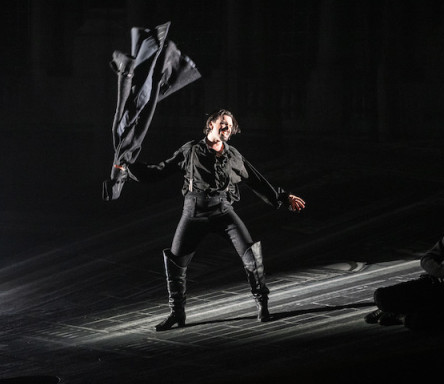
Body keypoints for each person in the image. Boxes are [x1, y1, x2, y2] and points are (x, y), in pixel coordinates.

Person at [115, 109, 306, 331]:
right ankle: (177, 314)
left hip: (223, 211)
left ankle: (262, 306)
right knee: (176, 262)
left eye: (231, 125)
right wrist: (128, 170)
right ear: (211, 124)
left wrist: (283, 196)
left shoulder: (233, 155)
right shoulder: (191, 150)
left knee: (251, 254)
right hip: (193, 213)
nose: (228, 128)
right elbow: (160, 169)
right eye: (224, 123)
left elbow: (255, 179)